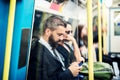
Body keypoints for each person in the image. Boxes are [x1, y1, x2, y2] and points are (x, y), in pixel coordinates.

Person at [27, 15, 82, 80]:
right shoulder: (37, 53)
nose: (62, 38)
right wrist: (69, 73)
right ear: (48, 32)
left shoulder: (52, 47)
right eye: (59, 35)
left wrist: (70, 68)